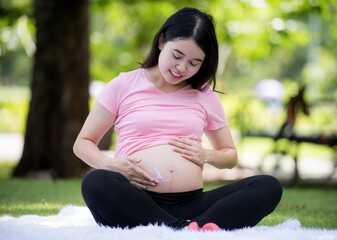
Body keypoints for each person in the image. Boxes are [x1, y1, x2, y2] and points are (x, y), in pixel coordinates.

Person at [73, 7, 282, 231]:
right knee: (95, 182)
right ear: (162, 41)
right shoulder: (123, 85)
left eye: (194, 63)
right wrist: (112, 165)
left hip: (193, 204)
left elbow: (230, 156)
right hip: (135, 201)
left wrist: (207, 155)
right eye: (177, 56)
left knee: (267, 186)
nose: (182, 68)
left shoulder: (204, 95)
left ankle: (177, 229)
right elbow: (83, 143)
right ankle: (187, 230)